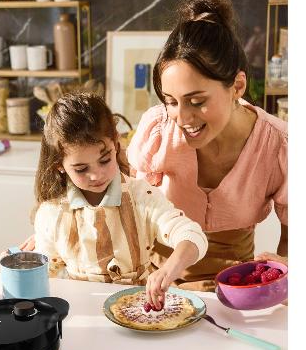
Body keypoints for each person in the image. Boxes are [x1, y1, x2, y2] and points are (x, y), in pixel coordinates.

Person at [127, 0, 288, 292]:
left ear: (237, 87)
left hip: (235, 288)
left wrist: (281, 275)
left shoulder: (278, 146)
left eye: (197, 101)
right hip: (162, 285)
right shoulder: (158, 130)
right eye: (171, 101)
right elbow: (129, 203)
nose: (182, 118)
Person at [32, 91, 208, 308]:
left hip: (139, 311)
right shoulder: (51, 213)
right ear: (60, 165)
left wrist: (168, 269)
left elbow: (192, 235)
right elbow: (44, 272)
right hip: (81, 310)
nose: (96, 175)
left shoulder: (141, 196)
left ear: (116, 144)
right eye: (81, 169)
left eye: (104, 160)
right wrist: (21, 266)